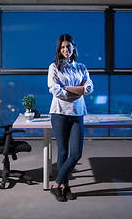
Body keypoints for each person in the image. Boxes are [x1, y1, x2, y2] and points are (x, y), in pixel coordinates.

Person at [47, 34, 94, 202]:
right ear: (59, 50)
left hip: (78, 113)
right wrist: (78, 90)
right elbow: (55, 90)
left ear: (73, 47)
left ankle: (55, 185)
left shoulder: (81, 67)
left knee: (76, 154)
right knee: (63, 152)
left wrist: (68, 89)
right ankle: (65, 187)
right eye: (62, 47)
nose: (65, 49)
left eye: (68, 46)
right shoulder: (54, 67)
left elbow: (89, 88)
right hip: (59, 113)